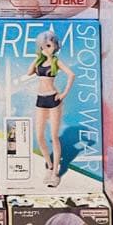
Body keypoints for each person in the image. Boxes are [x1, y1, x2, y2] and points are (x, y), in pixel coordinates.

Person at [19, 29, 75, 185]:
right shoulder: (39, 61)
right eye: (42, 46)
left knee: (54, 136)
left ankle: (55, 172)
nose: (45, 49)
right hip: (40, 100)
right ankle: (49, 166)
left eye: (49, 45)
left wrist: (63, 94)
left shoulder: (56, 61)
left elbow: (71, 75)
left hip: (53, 99)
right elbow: (29, 72)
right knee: (39, 136)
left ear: (55, 46)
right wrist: (39, 56)